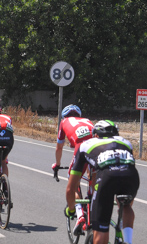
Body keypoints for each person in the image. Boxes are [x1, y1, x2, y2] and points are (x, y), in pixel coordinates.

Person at [65, 121, 139, 244]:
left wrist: (71, 210)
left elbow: (70, 188)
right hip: (132, 177)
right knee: (125, 205)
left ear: (95, 135)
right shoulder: (126, 143)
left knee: (100, 230)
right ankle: (128, 240)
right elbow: (127, 167)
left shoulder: (86, 145)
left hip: (107, 178)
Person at [53, 104, 94, 233]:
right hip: (97, 148)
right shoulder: (87, 120)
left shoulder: (64, 122)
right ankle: (92, 202)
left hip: (82, 148)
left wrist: (57, 164)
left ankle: (80, 215)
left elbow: (59, 147)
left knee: (73, 181)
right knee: (92, 177)